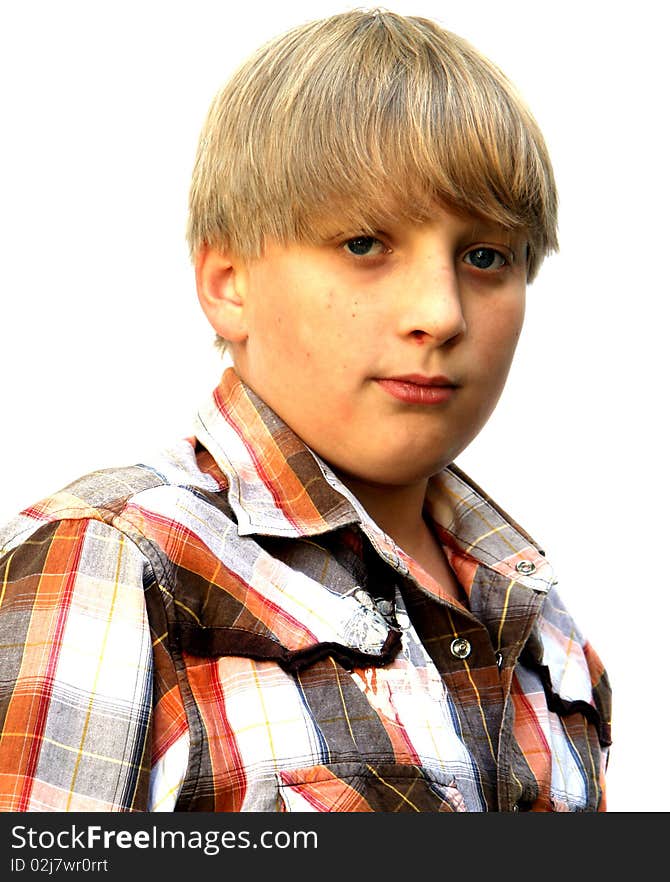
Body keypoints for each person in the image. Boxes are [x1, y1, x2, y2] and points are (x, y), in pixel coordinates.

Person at [0, 8, 610, 812]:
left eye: (486, 257)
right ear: (228, 283)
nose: (441, 312)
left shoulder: (544, 631)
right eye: (364, 244)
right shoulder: (114, 562)